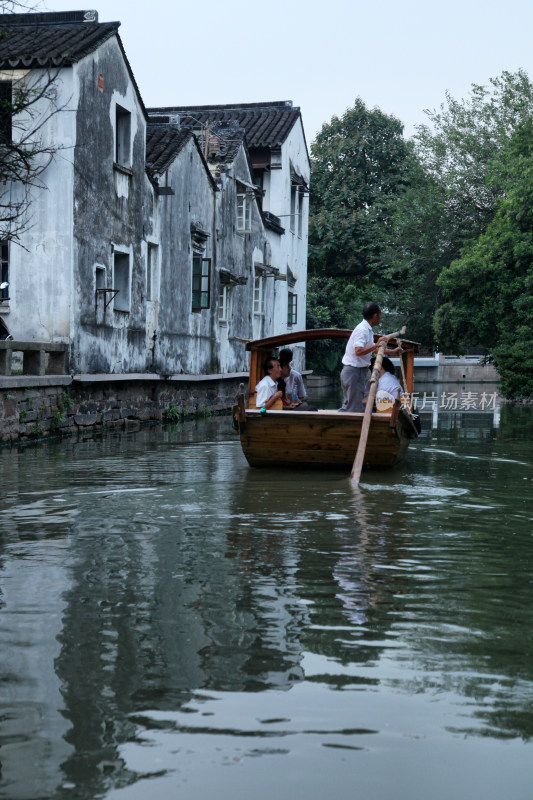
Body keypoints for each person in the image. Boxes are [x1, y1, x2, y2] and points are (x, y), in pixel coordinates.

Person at [339, 302, 402, 413]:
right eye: (380, 315)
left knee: (355, 404)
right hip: (353, 371)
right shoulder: (362, 330)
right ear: (375, 315)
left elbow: (375, 350)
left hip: (358, 372)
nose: (380, 318)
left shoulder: (368, 330)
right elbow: (358, 351)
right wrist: (377, 344)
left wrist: (393, 352)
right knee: (353, 407)